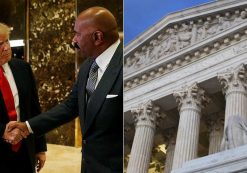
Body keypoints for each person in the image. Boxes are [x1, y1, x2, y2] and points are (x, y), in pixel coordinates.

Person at [8, 6, 123, 173]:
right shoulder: (88, 66)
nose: (73, 40)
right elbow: (71, 106)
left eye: (78, 34)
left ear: (98, 37)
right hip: (90, 165)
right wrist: (27, 126)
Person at [0, 23, 47, 173]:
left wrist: (40, 148)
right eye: (0, 44)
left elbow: (34, 110)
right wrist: (2, 131)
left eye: (7, 41)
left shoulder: (22, 68)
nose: (6, 48)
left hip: (24, 150)